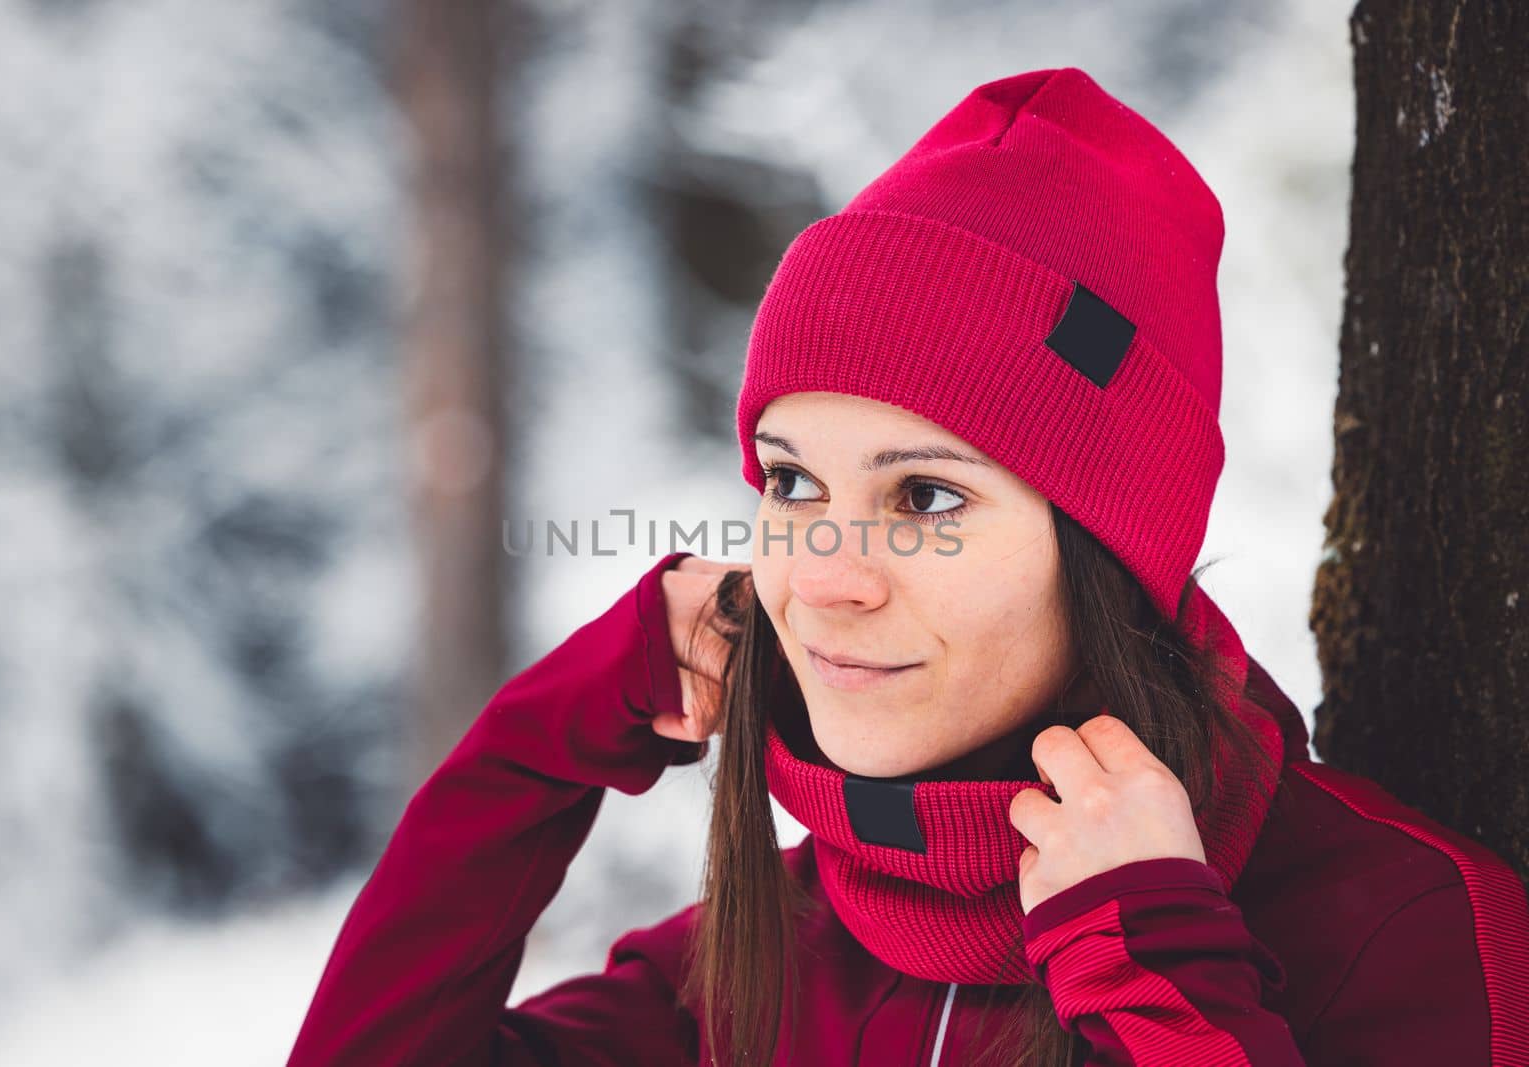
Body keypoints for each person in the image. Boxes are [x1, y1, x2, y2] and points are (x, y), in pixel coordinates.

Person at [285, 67, 1529, 1066]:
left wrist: (1162, 970)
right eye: (790, 482)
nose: (824, 576)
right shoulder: (747, 966)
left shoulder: (1402, 928)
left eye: (925, 495)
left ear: (1109, 543)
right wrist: (539, 745)